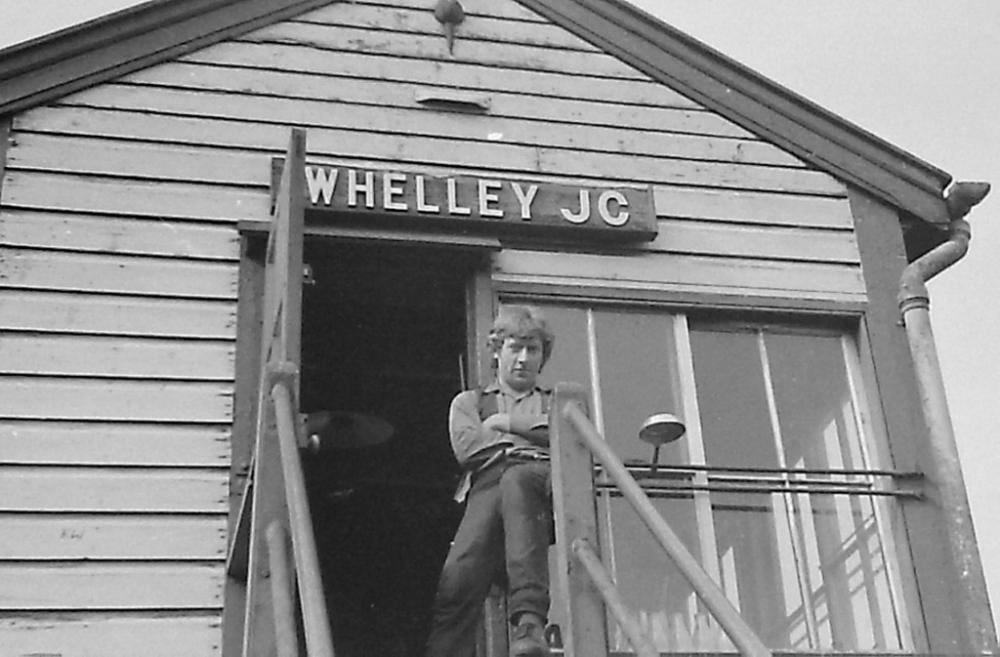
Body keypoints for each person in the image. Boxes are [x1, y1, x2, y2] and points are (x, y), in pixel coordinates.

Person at [426, 305, 556, 657]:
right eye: (515, 348)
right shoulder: (468, 402)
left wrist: (504, 424)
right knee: (458, 577)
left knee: (517, 479)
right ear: (497, 350)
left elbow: (567, 434)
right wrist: (531, 441)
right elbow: (470, 449)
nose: (524, 358)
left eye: (533, 349)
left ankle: (529, 626)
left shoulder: (556, 403)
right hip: (486, 490)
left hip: (536, 489)